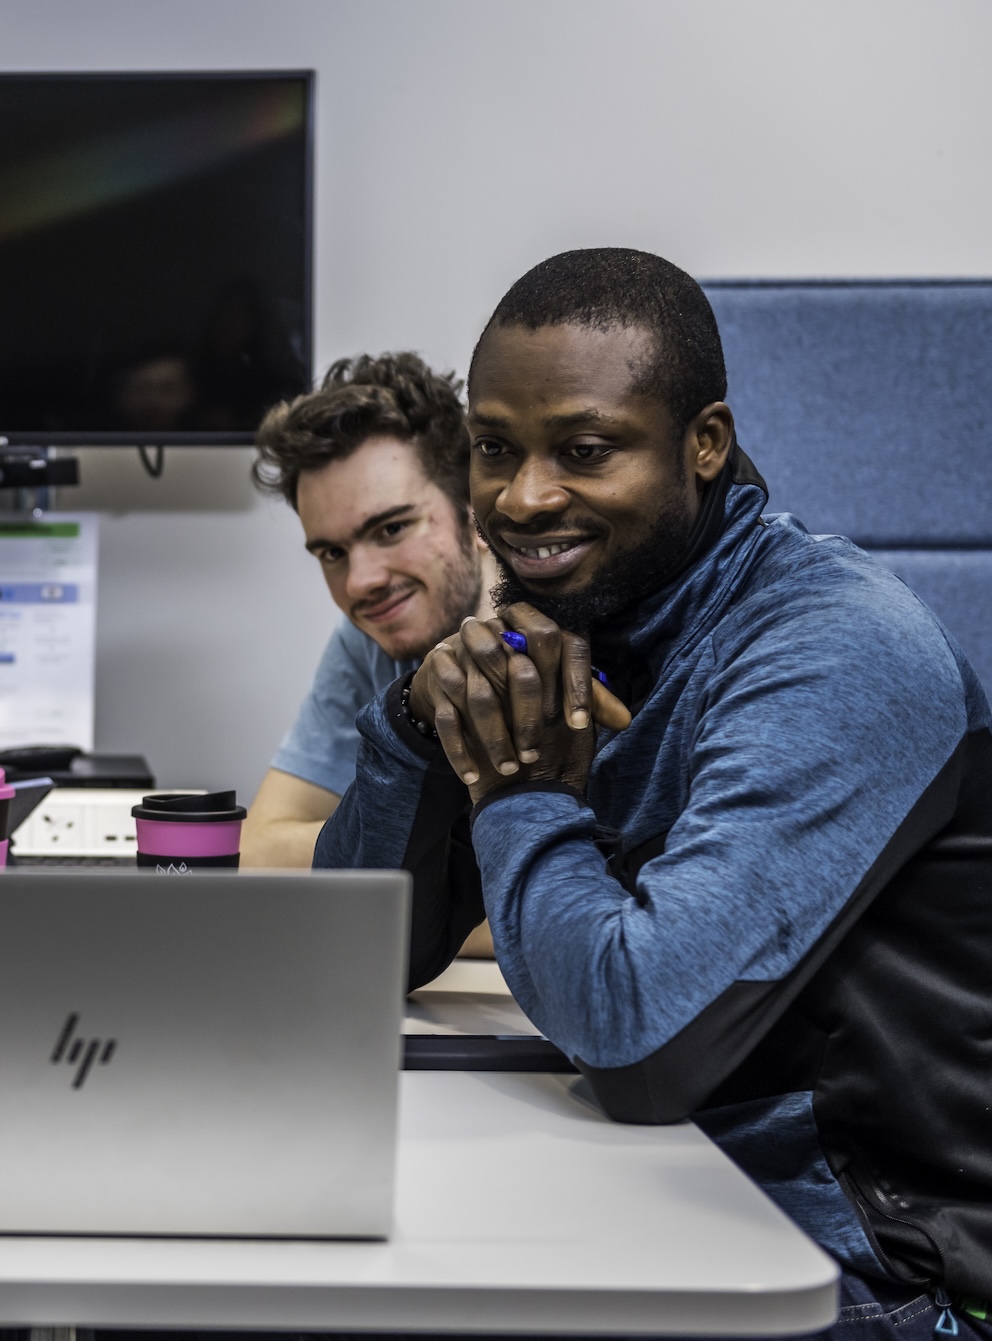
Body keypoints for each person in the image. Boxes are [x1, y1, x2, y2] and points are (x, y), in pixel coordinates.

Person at [317, 248, 992, 1332]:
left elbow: (637, 1044)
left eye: (583, 451)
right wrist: (414, 725)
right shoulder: (572, 623)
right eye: (493, 450)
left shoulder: (835, 651)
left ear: (703, 445)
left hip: (871, 1274)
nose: (524, 498)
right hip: (668, 1198)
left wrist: (519, 787)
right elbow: (346, 957)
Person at [240, 353, 496, 869]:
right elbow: (259, 849)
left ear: (476, 516)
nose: (361, 583)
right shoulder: (367, 642)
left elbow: (609, 901)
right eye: (332, 553)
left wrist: (371, 869)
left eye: (392, 529)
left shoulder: (571, 636)